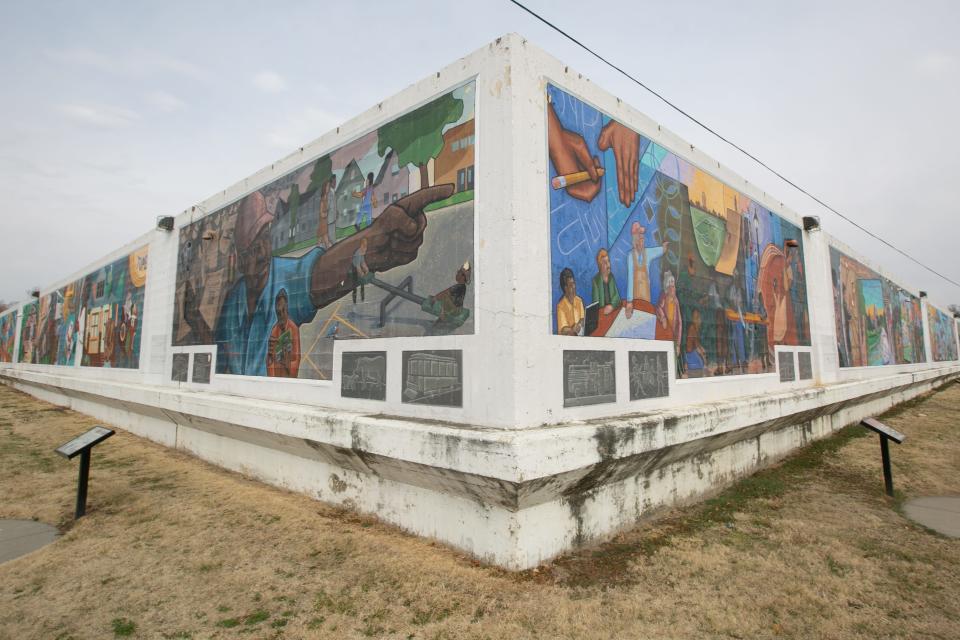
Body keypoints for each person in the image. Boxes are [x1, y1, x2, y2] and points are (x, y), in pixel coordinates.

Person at [183, 184, 452, 376]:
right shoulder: (234, 301)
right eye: (252, 249)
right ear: (239, 259)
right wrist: (195, 319)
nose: (262, 253)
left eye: (264, 241)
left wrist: (373, 240)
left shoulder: (284, 277)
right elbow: (220, 355)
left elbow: (315, 276)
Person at [626, 222, 668, 307]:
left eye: (642, 237)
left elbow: (660, 250)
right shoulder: (630, 256)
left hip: (646, 295)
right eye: (639, 237)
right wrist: (629, 301)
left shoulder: (648, 253)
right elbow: (630, 278)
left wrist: (664, 248)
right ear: (635, 239)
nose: (642, 239)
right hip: (635, 297)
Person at [267, 288, 301, 378]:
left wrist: (288, 364)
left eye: (283, 311)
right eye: (278, 312)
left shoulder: (293, 329)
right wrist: (270, 356)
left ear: (287, 309)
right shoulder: (274, 330)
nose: (281, 315)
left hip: (287, 380)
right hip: (277, 379)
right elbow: (270, 363)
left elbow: (297, 360)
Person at [655, 270, 682, 363]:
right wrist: (663, 318)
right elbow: (658, 307)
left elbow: (679, 323)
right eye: (670, 284)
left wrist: (678, 344)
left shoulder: (676, 301)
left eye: (673, 284)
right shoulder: (663, 296)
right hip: (664, 333)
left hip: (673, 335)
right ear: (667, 286)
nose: (672, 287)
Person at [591, 248, 622, 316]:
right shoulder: (595, 281)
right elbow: (596, 306)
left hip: (612, 312)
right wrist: (605, 310)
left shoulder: (611, 277)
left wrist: (611, 306)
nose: (608, 265)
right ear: (600, 265)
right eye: (605, 263)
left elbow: (617, 298)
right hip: (603, 316)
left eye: (608, 261)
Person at [556, 267, 585, 335]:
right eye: (571, 285)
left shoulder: (579, 300)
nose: (574, 287)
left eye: (574, 283)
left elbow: (582, 319)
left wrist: (581, 323)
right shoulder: (560, 306)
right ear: (565, 288)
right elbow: (562, 329)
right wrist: (572, 329)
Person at [351, 238, 369, 304]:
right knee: (354, 286)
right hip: (354, 268)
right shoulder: (358, 254)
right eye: (364, 246)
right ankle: (354, 301)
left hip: (358, 266)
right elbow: (358, 266)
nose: (366, 248)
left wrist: (366, 269)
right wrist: (361, 273)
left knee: (362, 284)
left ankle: (362, 298)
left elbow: (363, 262)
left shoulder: (362, 252)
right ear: (361, 245)